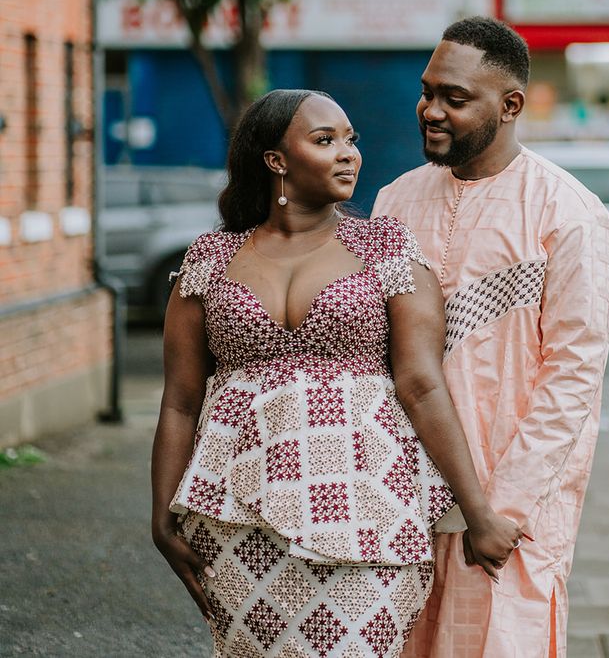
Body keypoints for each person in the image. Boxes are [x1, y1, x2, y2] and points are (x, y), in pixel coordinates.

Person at [151, 88, 522, 657]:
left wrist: (477, 513)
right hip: (236, 516)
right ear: (276, 160)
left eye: (351, 140)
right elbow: (180, 400)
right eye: (326, 141)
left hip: (370, 507)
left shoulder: (386, 248)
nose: (349, 153)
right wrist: (162, 516)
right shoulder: (210, 258)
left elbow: (421, 384)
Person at [373, 17, 609, 657]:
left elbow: (572, 379)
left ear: (511, 105)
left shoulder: (568, 214)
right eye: (428, 92)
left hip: (513, 507)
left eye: (454, 99)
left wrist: (499, 512)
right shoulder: (395, 202)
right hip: (402, 494)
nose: (431, 111)